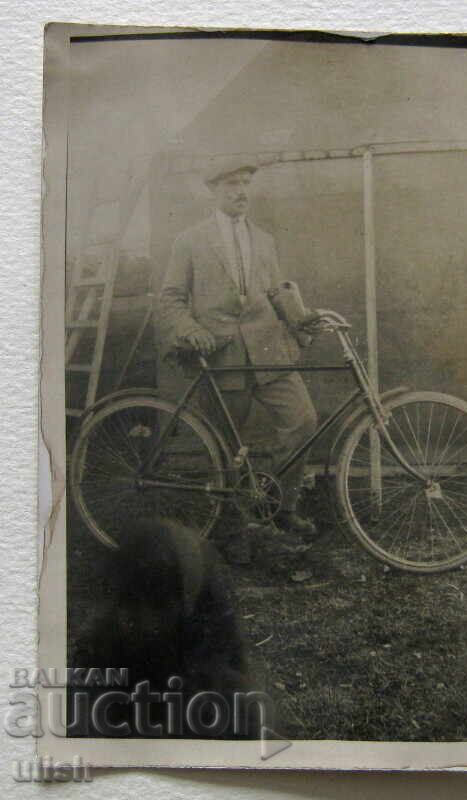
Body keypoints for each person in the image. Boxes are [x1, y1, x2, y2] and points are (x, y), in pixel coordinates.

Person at [157, 155, 318, 563]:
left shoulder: (264, 240)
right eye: (231, 185)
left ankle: (281, 508)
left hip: (269, 351)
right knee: (225, 448)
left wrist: (303, 318)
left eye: (246, 183)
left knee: (302, 421)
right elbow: (170, 300)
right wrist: (191, 329)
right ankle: (232, 530)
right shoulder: (189, 241)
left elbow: (276, 292)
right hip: (222, 355)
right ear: (213, 191)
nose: (241, 192)